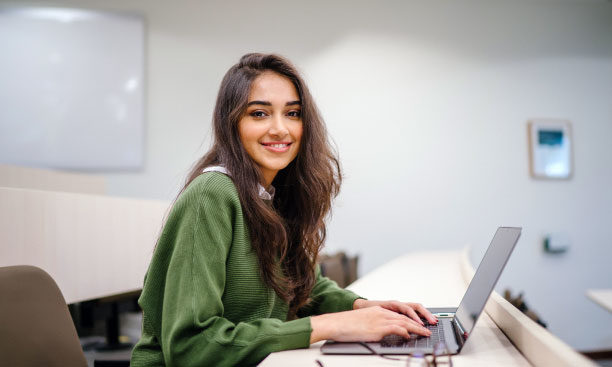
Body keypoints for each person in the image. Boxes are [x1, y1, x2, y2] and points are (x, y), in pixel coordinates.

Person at [130, 53, 437, 367]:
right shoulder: (212, 195)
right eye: (260, 113)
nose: (280, 129)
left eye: (292, 113)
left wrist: (362, 307)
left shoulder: (272, 194)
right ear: (231, 123)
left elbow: (303, 284)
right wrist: (330, 326)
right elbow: (192, 347)